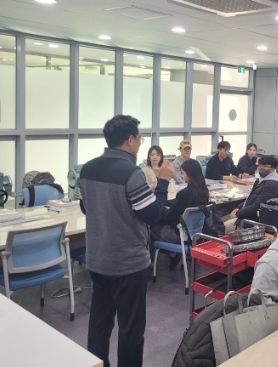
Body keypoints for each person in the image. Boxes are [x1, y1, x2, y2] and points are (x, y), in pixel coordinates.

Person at [79, 114, 174, 367]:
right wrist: (163, 182)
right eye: (140, 139)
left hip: (97, 260)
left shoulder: (87, 169)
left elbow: (86, 207)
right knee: (131, 328)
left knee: (99, 324)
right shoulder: (132, 173)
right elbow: (152, 215)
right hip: (127, 264)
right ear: (130, 140)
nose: (141, 143)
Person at [151, 159, 210, 269]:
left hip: (179, 235)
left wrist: (161, 209)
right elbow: (180, 205)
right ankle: (173, 255)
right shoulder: (203, 192)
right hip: (195, 235)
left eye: (183, 173)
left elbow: (169, 217)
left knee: (150, 227)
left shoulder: (184, 194)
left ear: (189, 174)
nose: (181, 176)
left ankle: (153, 265)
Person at [228, 155, 278, 227]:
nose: (261, 168)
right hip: (246, 214)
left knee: (222, 227)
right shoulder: (261, 180)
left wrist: (238, 213)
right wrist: (239, 207)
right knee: (220, 220)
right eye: (260, 165)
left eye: (265, 166)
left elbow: (256, 207)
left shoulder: (272, 184)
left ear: (273, 169)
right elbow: (250, 199)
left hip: (252, 221)